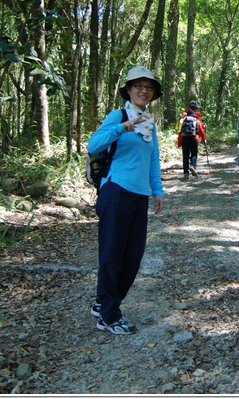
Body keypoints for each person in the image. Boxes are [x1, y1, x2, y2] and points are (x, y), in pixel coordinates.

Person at [87, 65, 165, 335]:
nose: (144, 91)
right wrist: (122, 127)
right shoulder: (118, 115)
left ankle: (104, 301)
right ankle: (109, 315)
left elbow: (152, 159)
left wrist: (158, 189)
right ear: (129, 90)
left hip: (139, 194)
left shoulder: (148, 122)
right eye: (139, 86)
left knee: (133, 256)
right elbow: (93, 145)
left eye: (149, 87)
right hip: (116, 190)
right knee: (112, 254)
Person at [177, 109, 207, 179]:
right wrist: (204, 140)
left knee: (185, 156)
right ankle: (193, 166)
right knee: (194, 154)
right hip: (194, 139)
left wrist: (179, 142)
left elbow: (179, 131)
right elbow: (201, 132)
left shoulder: (183, 120)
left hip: (184, 140)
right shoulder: (197, 121)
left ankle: (186, 173)